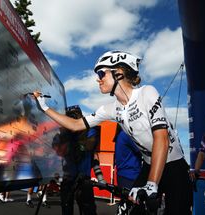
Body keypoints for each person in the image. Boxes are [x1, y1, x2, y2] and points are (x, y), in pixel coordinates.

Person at [33, 50, 192, 214]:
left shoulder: (146, 92)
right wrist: (44, 107)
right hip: (149, 165)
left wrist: (152, 184)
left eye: (102, 73)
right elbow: (75, 125)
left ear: (119, 73)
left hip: (174, 167)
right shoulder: (111, 109)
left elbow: (162, 139)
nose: (98, 78)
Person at [52, 105, 101, 215]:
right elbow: (56, 149)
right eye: (70, 117)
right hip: (67, 177)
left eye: (75, 115)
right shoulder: (63, 134)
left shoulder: (89, 130)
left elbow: (89, 146)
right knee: (66, 208)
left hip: (84, 179)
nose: (73, 118)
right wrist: (65, 133)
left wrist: (78, 130)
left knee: (88, 210)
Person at [113, 125, 142, 189]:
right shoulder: (126, 135)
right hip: (130, 176)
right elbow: (142, 149)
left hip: (123, 176)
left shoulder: (120, 134)